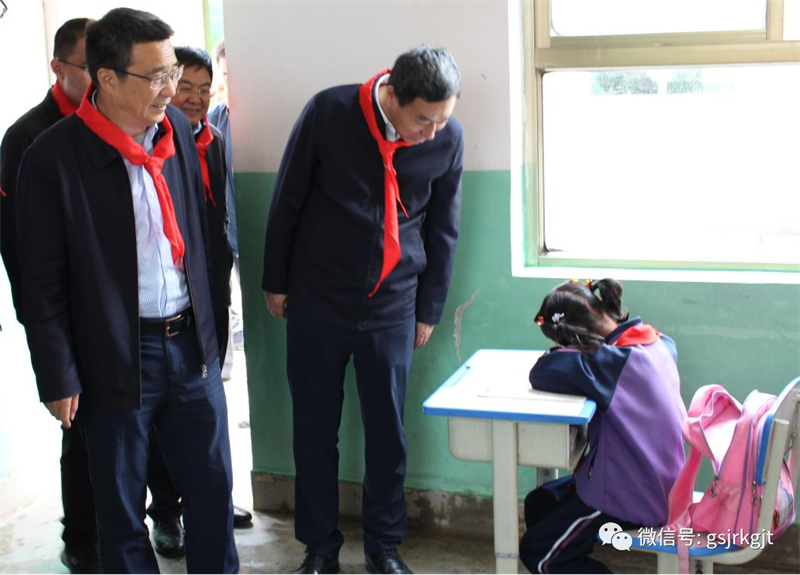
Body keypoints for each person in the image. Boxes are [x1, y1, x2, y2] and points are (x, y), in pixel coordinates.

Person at [15, 8, 238, 574]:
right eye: (157, 76)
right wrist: (58, 372)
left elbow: (199, 238)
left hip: (190, 345)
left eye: (173, 72)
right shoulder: (52, 158)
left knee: (212, 492)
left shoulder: (176, 133)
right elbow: (40, 282)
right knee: (120, 511)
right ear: (107, 78)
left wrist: (211, 333)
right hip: (114, 354)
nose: (171, 89)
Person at [262, 45, 464, 575]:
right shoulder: (329, 112)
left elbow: (443, 230)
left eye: (443, 120)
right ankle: (319, 548)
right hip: (318, 300)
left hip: (394, 306)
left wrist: (428, 309)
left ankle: (383, 548)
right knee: (314, 430)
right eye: (423, 120)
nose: (432, 134)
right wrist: (275, 282)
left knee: (387, 433)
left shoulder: (447, 139)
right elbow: (288, 198)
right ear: (392, 95)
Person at [0, 19, 103, 573]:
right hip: (64, 312)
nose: (100, 78)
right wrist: (43, 326)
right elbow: (18, 244)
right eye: (89, 67)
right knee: (79, 427)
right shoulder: (28, 137)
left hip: (112, 307)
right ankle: (81, 537)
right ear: (58, 67)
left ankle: (147, 516)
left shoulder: (110, 121)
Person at [520, 279, 687, 575]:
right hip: (661, 483)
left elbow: (542, 371)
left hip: (631, 494)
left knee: (539, 553)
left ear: (575, 337)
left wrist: (571, 351)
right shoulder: (659, 343)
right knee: (539, 502)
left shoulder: (610, 364)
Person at [170, 44, 253, 528]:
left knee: (208, 400)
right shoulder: (155, 146)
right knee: (166, 412)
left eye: (204, 89)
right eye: (185, 87)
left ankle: (213, 501)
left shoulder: (214, 140)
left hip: (211, 293)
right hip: (168, 302)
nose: (196, 98)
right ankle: (168, 510)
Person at [207, 38, 244, 367]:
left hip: (251, 238)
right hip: (222, 237)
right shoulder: (214, 119)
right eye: (227, 75)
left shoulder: (260, 120)